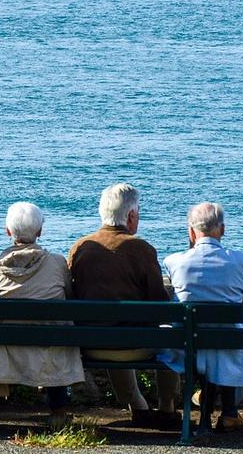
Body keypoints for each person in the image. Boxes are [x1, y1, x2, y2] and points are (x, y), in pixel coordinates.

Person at [67, 183, 180, 429]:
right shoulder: (141, 249)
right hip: (135, 346)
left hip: (92, 344)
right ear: (130, 216)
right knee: (170, 334)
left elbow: (70, 295)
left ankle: (138, 406)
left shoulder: (80, 248)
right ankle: (167, 407)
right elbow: (159, 303)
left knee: (110, 327)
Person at [0, 202, 85, 426]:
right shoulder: (57, 263)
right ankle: (59, 412)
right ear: (40, 232)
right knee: (55, 335)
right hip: (51, 345)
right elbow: (68, 297)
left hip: (7, 348)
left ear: (8, 232)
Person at [160, 202, 243, 433]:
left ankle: (208, 415)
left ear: (191, 232)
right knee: (230, 334)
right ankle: (229, 413)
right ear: (222, 230)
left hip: (188, 345)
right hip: (228, 343)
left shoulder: (174, 261)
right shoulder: (239, 261)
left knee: (205, 344)